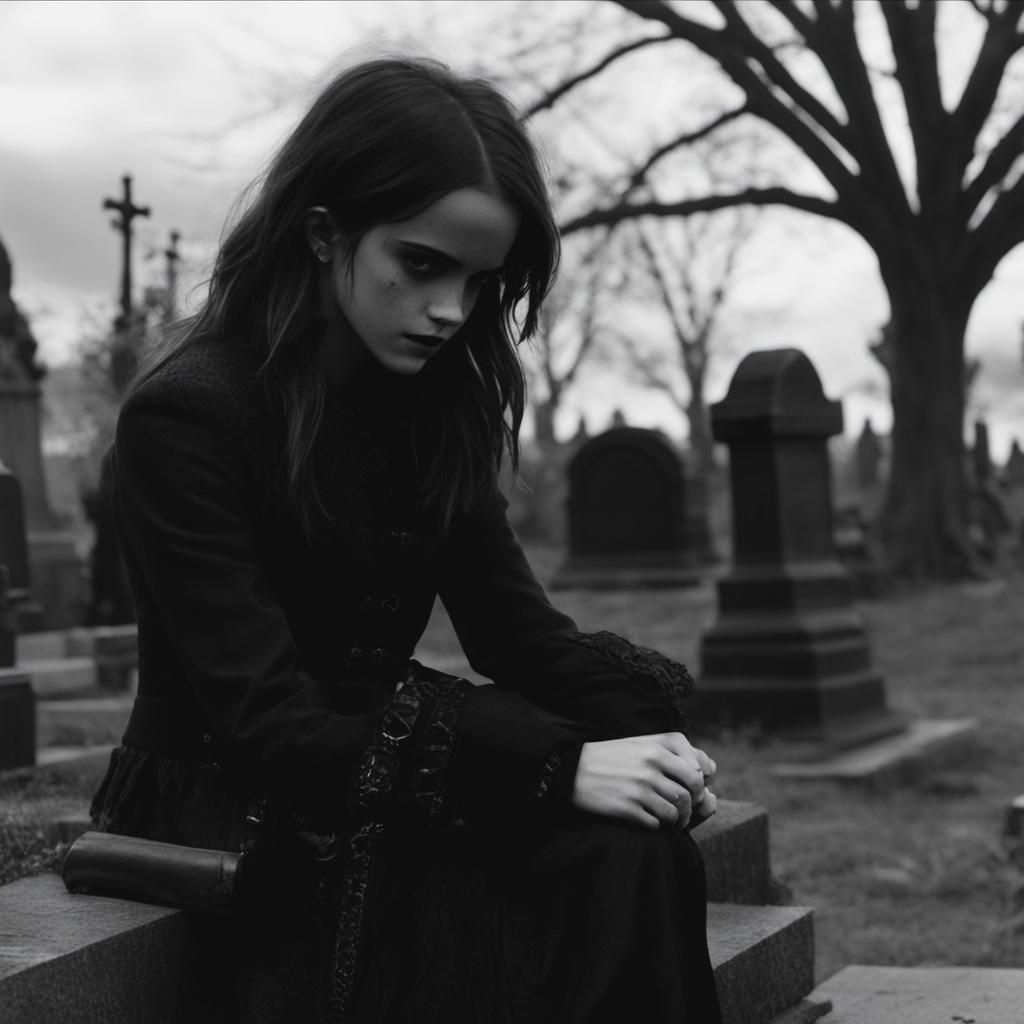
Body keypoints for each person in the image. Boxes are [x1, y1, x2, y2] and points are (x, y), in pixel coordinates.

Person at [89, 55, 723, 1024]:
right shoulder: (189, 415)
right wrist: (556, 767)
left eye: (481, 281)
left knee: (636, 838)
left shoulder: (436, 409)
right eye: (421, 264)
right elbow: (263, 720)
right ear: (321, 233)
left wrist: (648, 734)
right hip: (229, 791)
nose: (450, 312)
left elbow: (515, 634)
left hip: (375, 760)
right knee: (562, 858)